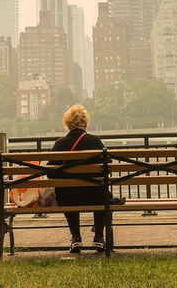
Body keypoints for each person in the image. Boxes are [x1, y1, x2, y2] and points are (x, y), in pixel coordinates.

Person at [49, 104, 122, 253]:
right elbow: (106, 169)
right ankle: (99, 237)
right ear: (86, 124)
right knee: (101, 191)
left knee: (67, 190)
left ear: (68, 125)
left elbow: (50, 173)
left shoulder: (59, 144)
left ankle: (76, 237)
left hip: (67, 198)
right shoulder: (95, 141)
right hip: (94, 197)